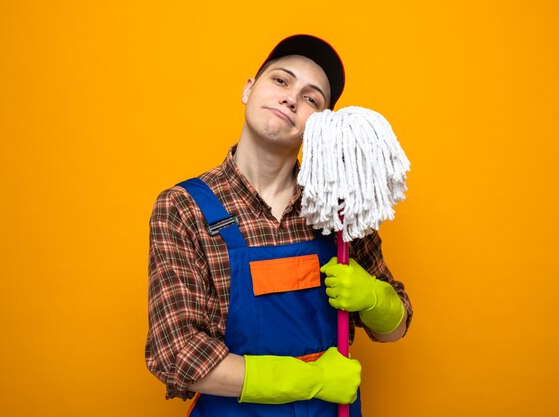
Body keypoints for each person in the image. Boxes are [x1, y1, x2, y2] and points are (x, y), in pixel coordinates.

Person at [145, 34, 413, 417]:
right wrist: (311, 380)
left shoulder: (338, 208)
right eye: (281, 81)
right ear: (249, 89)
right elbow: (176, 354)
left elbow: (395, 330)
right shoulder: (184, 209)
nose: (291, 98)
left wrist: (375, 298)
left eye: (311, 98)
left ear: (321, 126)